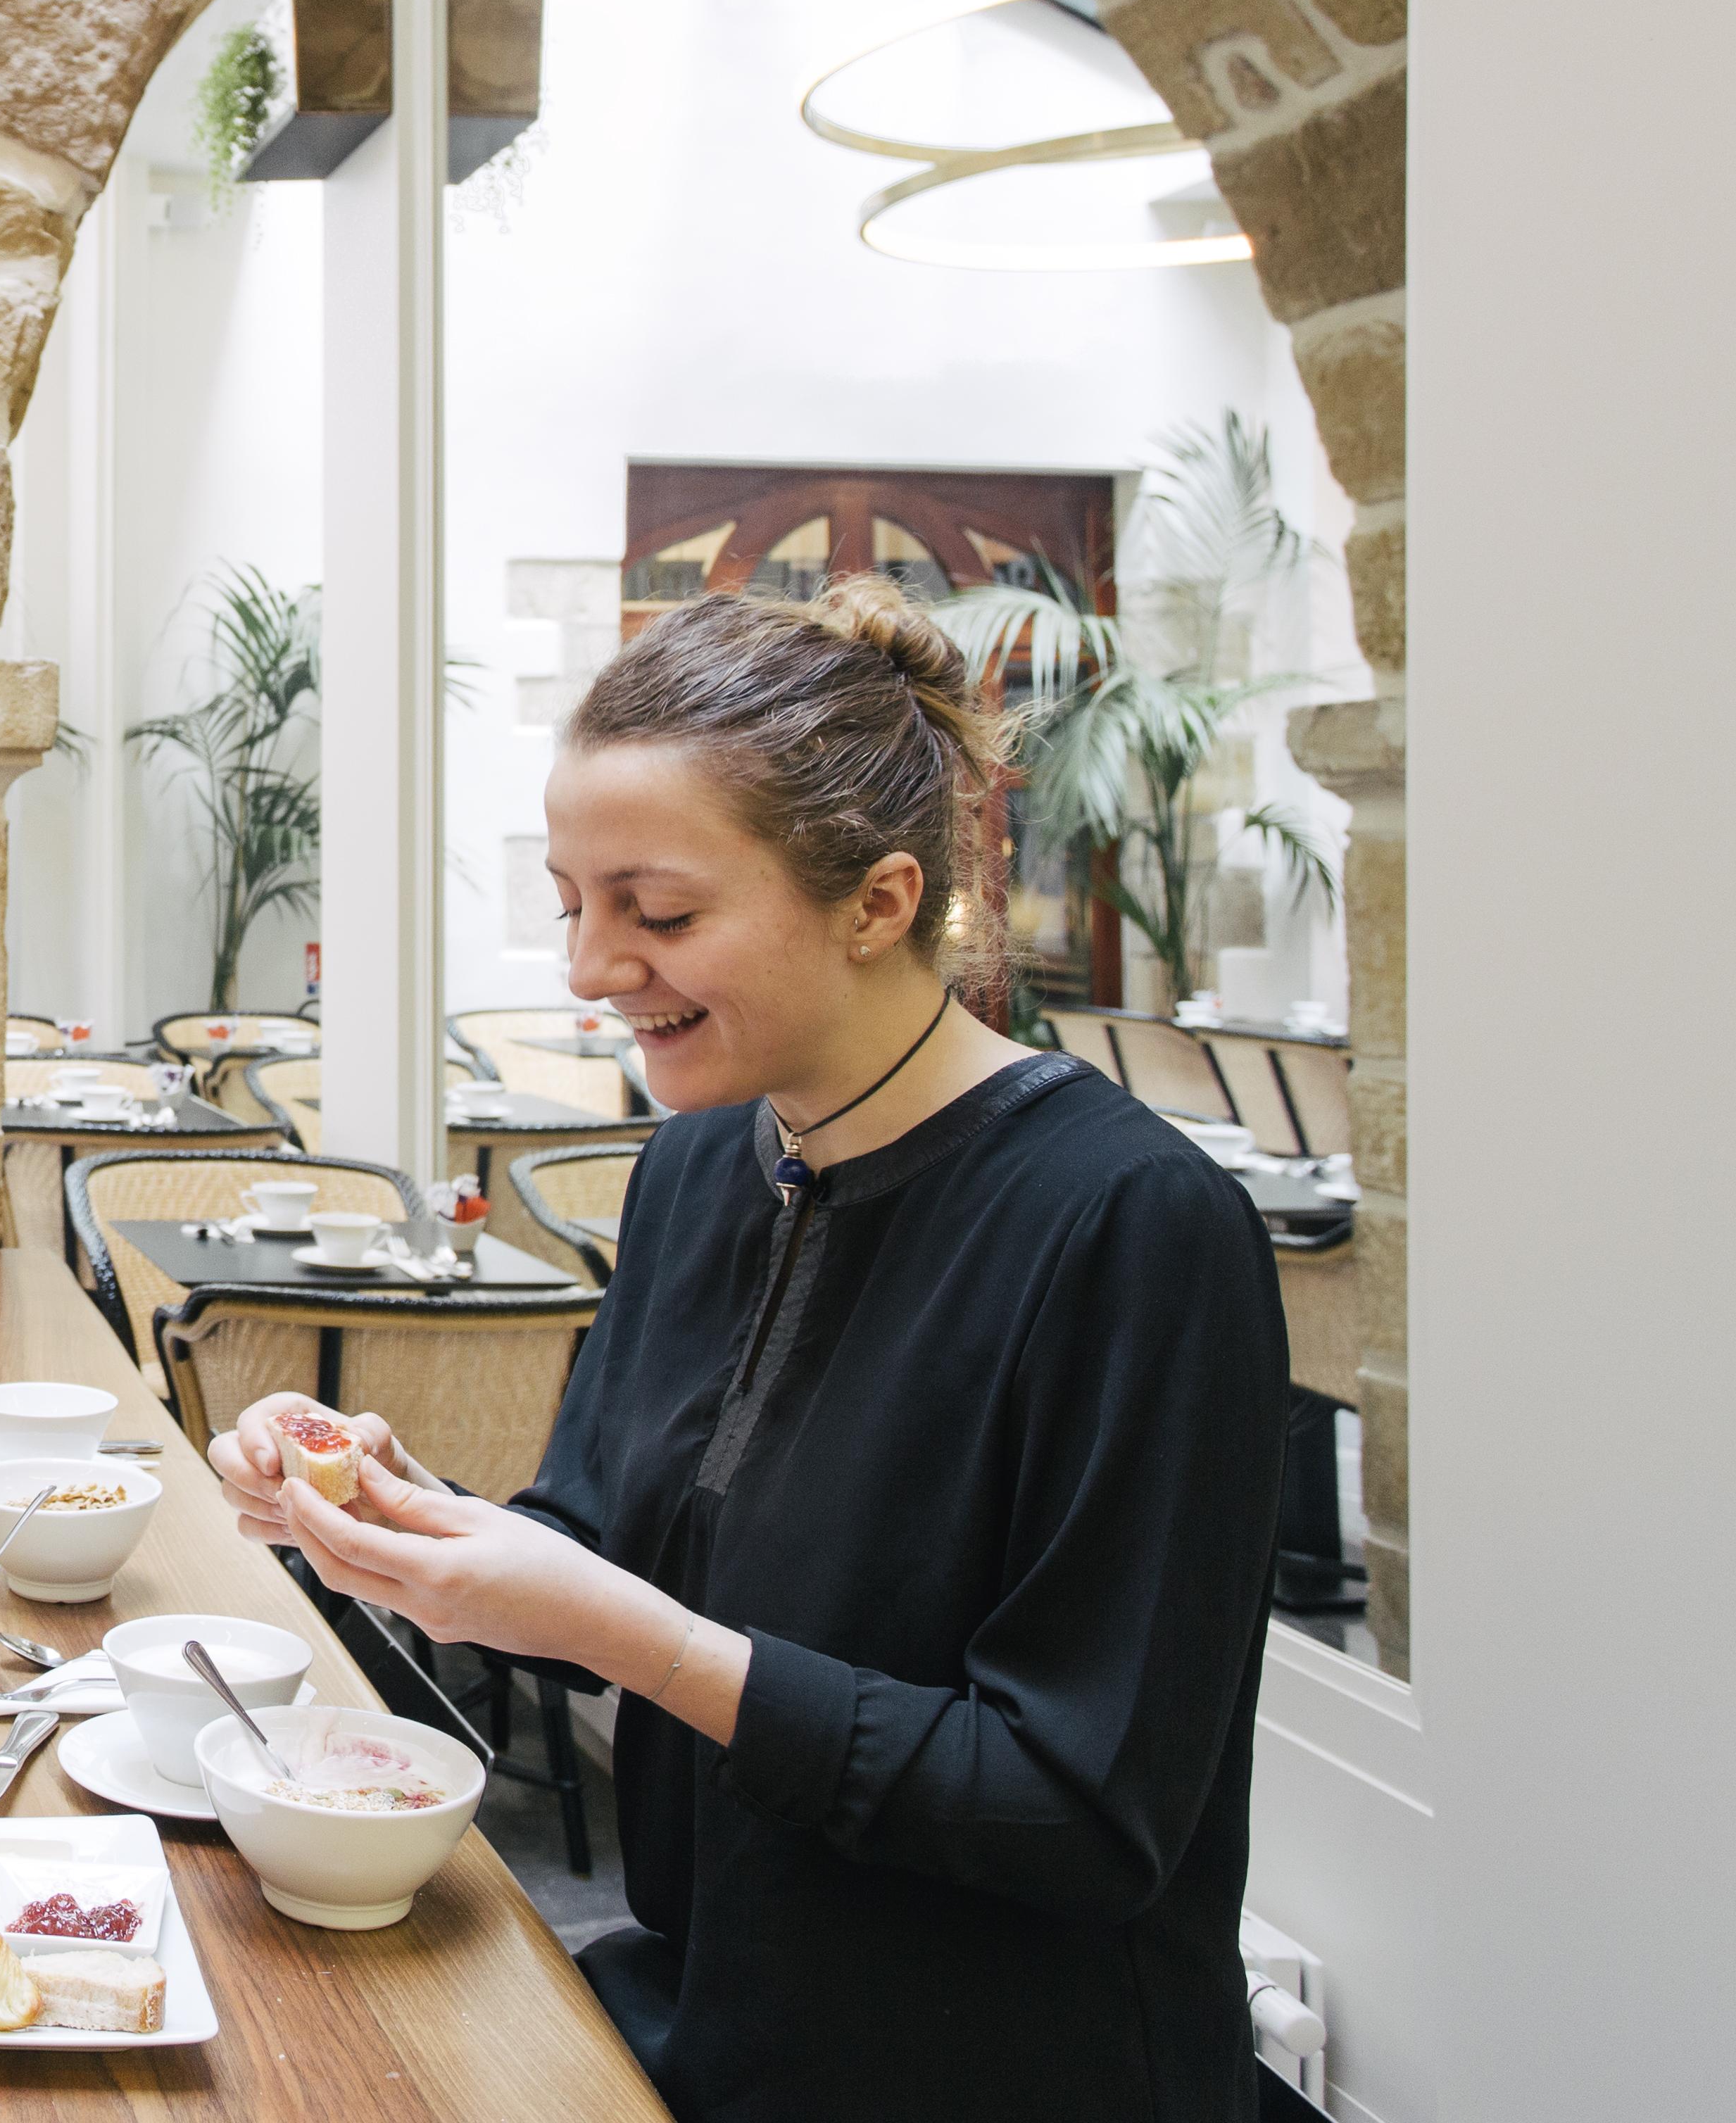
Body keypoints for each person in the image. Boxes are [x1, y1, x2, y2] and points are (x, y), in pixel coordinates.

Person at [214, 579, 1285, 2123]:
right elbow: (594, 1539)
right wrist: (394, 1516)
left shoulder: (1130, 1230)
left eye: (657, 914)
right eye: (571, 900)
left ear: (880, 900)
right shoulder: (705, 1164)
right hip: (718, 2016)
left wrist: (635, 1639)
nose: (588, 968)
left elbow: (1077, 1812)